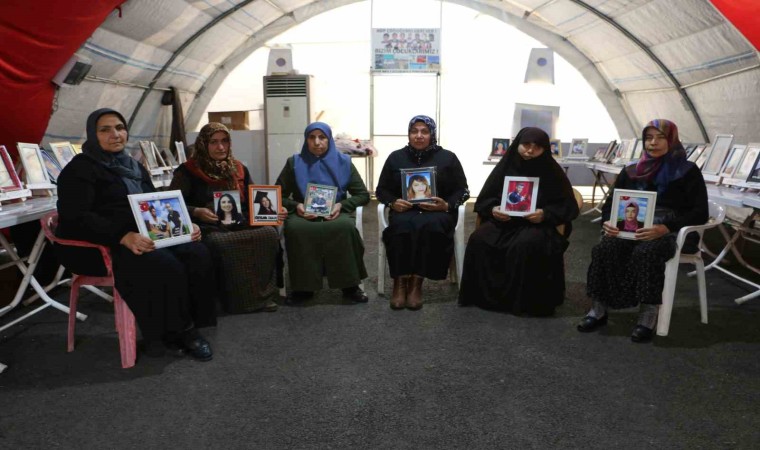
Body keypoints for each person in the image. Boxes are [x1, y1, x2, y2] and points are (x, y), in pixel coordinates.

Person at [55, 108, 215, 361]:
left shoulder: (133, 166)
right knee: (164, 264)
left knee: (197, 252)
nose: (115, 134)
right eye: (105, 130)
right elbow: (76, 216)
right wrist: (122, 236)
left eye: (120, 128)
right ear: (92, 135)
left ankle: (191, 323)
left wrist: (185, 226)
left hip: (143, 233)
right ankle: (179, 331)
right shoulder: (79, 170)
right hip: (101, 244)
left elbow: (153, 203)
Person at [577, 119, 709, 343]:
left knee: (646, 252)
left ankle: (648, 314)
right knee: (604, 249)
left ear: (672, 140)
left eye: (660, 137)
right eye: (648, 138)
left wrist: (665, 227)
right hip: (631, 228)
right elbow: (610, 205)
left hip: (668, 230)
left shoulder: (687, 171)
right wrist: (608, 222)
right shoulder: (631, 170)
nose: (653, 143)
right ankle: (598, 309)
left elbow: (700, 212)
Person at [458, 127, 579, 316]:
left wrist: (545, 214)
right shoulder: (505, 167)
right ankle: (485, 297)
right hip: (504, 222)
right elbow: (485, 199)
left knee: (527, 244)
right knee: (479, 239)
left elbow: (567, 206)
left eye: (537, 147)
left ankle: (523, 302)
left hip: (538, 224)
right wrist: (493, 209)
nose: (530, 150)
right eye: (526, 145)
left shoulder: (552, 172)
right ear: (517, 144)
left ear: (545, 149)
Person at [170, 122, 283, 313]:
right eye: (214, 142)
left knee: (269, 233)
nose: (221, 147)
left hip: (239, 221)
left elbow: (253, 199)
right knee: (220, 242)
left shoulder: (238, 168)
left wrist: (273, 210)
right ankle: (229, 300)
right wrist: (197, 211)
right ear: (203, 144)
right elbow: (172, 204)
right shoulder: (187, 171)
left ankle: (262, 296)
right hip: (208, 226)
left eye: (224, 141)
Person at [375, 115, 469, 310]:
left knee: (432, 227)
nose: (419, 135)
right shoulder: (396, 157)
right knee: (400, 227)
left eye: (424, 131)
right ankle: (400, 282)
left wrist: (446, 205)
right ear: (408, 134)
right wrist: (393, 202)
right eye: (414, 131)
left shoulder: (448, 158)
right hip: (404, 211)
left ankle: (416, 283)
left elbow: (463, 190)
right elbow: (381, 190)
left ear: (432, 134)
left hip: (437, 212)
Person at [276, 122, 370, 304]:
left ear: (329, 139)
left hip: (336, 212)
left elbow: (363, 195)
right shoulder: (294, 162)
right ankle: (303, 288)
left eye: (322, 137)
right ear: (306, 140)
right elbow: (277, 194)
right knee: (296, 229)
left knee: (344, 228)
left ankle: (350, 286)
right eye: (312, 137)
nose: (317, 142)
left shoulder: (344, 162)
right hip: (303, 213)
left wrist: (341, 205)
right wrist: (297, 206)